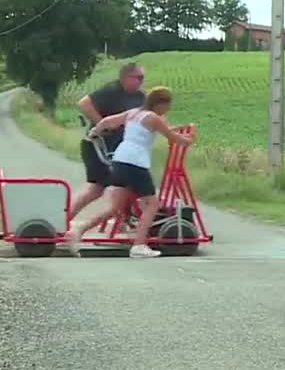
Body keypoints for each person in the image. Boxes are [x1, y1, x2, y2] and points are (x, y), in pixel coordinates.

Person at [65, 86, 193, 258]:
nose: (168, 109)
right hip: (136, 163)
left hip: (119, 161)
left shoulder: (133, 113)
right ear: (160, 103)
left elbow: (107, 121)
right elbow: (172, 136)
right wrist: (189, 139)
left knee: (116, 208)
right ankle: (139, 245)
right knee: (153, 204)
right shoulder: (153, 118)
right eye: (167, 105)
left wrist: (95, 131)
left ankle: (79, 230)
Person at [69, 62, 146, 222]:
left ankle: (126, 220)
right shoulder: (112, 90)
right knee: (96, 188)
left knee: (128, 183)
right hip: (97, 146)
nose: (141, 81)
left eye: (143, 78)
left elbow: (152, 115)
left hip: (118, 149)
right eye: (138, 77)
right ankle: (63, 220)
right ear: (125, 78)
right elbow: (84, 103)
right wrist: (101, 124)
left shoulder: (139, 97)